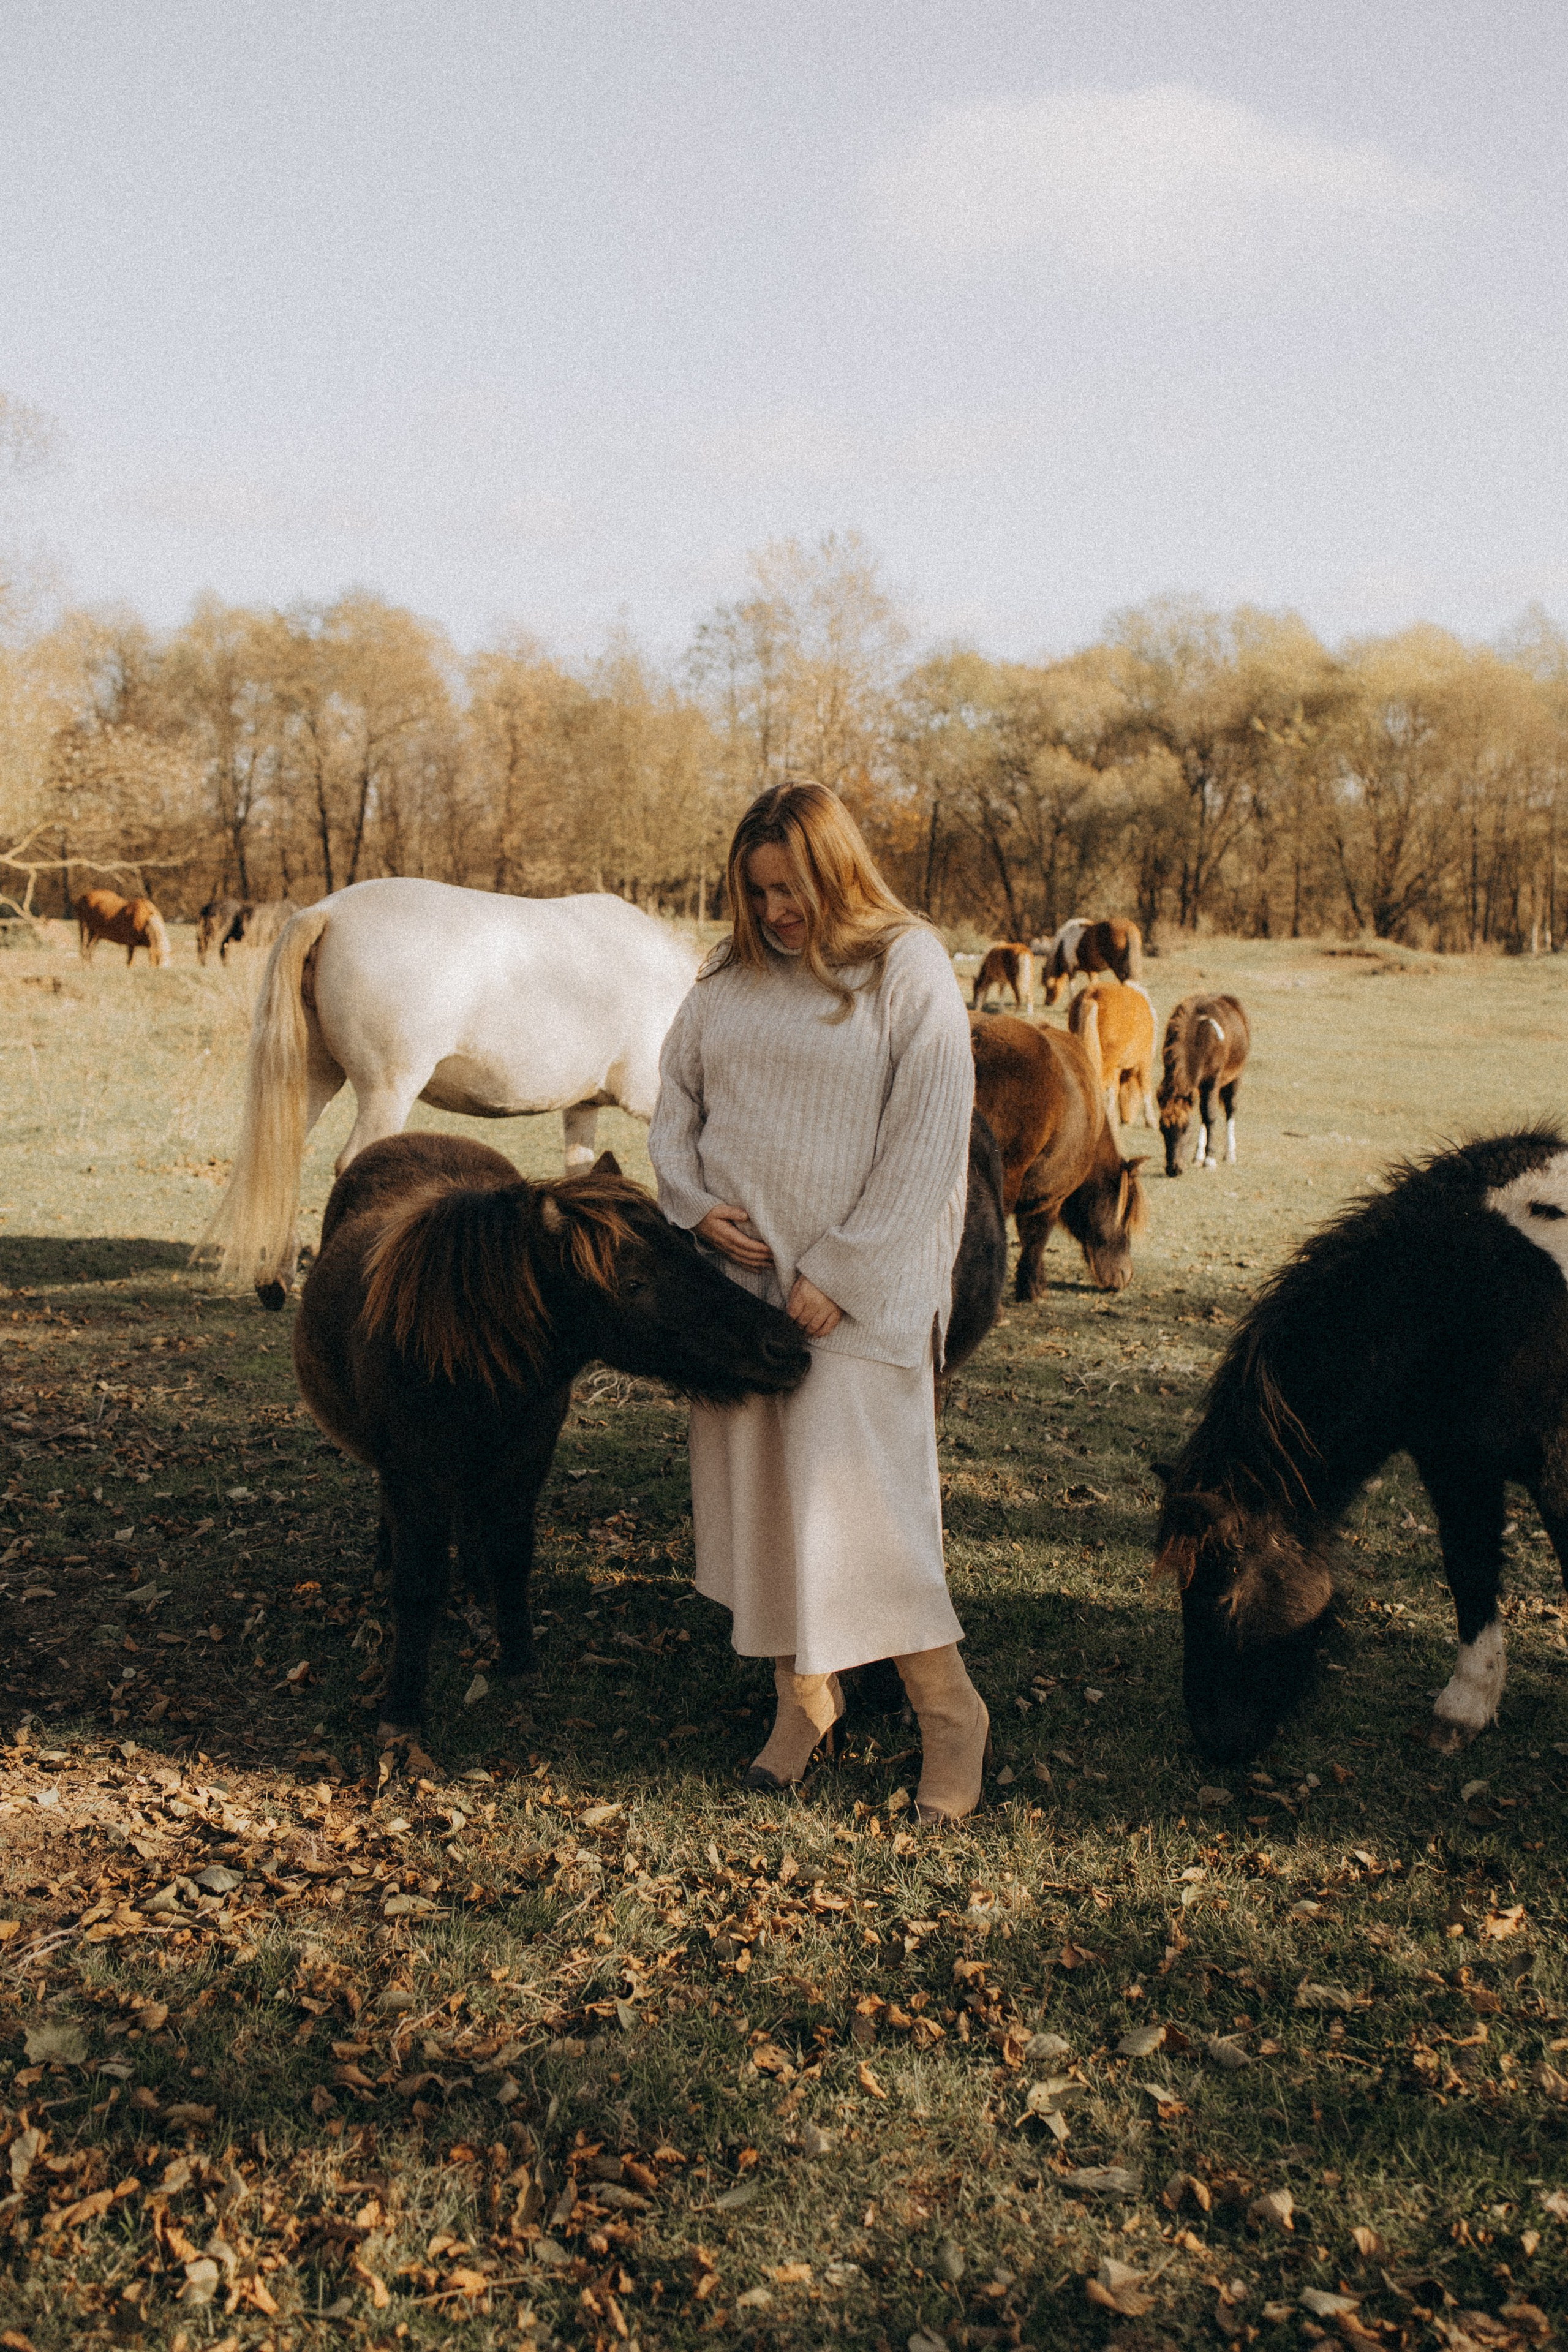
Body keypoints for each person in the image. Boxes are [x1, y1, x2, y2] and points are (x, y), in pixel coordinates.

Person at [647, 780, 989, 1823]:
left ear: (835, 871)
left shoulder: (905, 965)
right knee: (765, 1503)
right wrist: (693, 1204)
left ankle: (950, 1714)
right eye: (757, 894)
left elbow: (930, 1136)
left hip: (857, 1295)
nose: (776, 913)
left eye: (790, 889)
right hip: (739, 1295)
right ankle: (804, 1701)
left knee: (866, 1514)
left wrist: (841, 1272)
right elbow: (678, 1103)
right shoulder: (726, 977)